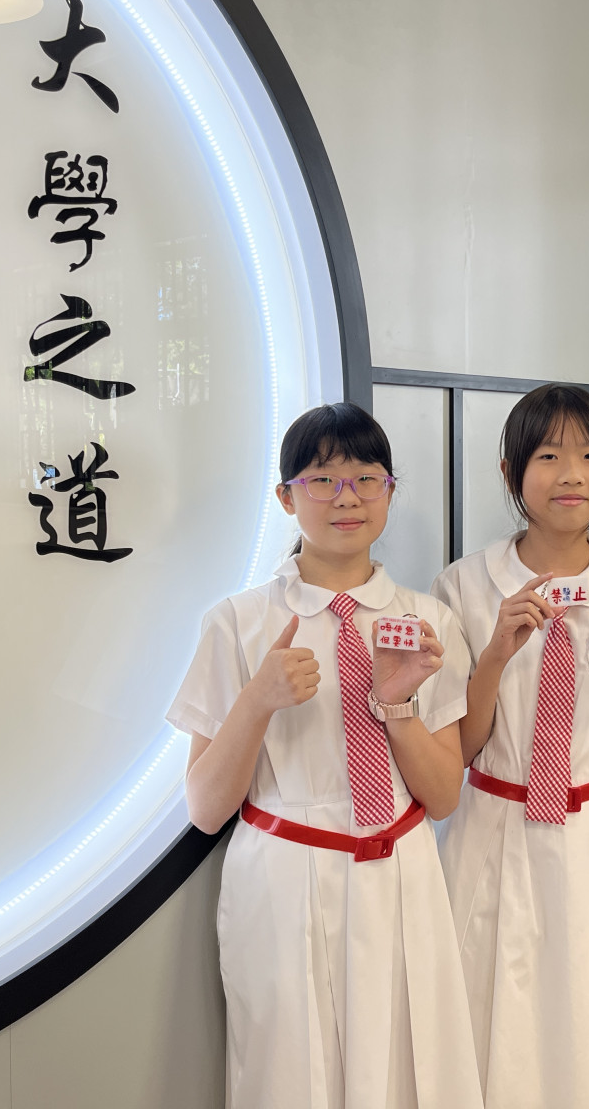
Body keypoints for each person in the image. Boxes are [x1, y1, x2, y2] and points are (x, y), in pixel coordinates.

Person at [168, 403, 482, 1109]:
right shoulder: (239, 623)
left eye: (367, 478)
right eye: (323, 479)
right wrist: (257, 701)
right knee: (289, 1076)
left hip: (399, 870)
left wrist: (396, 706)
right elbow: (206, 808)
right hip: (284, 875)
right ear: (286, 497)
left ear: (391, 492)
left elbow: (442, 797)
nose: (348, 498)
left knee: (408, 1070)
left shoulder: (427, 623)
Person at [433, 383, 589, 1108]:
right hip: (495, 824)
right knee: (488, 1012)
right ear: (512, 472)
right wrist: (495, 655)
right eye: (548, 456)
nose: (572, 475)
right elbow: (461, 748)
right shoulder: (464, 585)